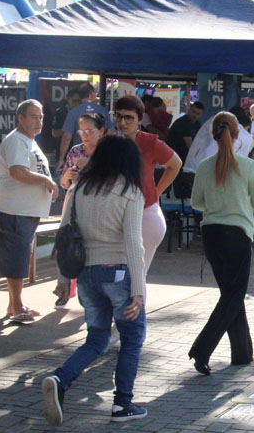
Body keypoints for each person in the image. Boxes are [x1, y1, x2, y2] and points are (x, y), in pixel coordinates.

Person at [41, 135, 148, 425]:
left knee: (97, 338)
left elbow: (65, 234)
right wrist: (138, 290)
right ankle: (122, 404)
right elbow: (134, 244)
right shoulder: (130, 192)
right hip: (118, 273)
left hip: (86, 275)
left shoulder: (80, 188)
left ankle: (60, 379)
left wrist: (64, 279)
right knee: (133, 336)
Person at [188, 112, 254, 374]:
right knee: (234, 295)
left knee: (231, 294)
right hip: (237, 236)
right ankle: (202, 348)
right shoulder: (249, 166)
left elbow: (197, 202)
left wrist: (217, 202)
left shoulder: (205, 166)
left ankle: (242, 353)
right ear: (238, 135)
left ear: (212, 133)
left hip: (212, 235)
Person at [0, 100, 58, 323]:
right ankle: (18, 306)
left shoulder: (29, 141)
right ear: (20, 118)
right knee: (16, 260)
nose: (38, 121)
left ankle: (15, 304)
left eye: (41, 117)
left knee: (19, 258)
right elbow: (18, 172)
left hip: (26, 212)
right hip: (15, 211)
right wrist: (45, 180)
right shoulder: (16, 141)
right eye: (33, 116)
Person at [114, 95, 182, 273]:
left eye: (129, 117)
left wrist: (157, 192)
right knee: (122, 276)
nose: (123, 122)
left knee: (134, 275)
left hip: (145, 214)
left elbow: (175, 164)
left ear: (140, 119)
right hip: (116, 216)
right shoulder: (110, 143)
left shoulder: (150, 142)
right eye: (119, 116)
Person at [53, 111, 107, 307]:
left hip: (99, 206)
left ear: (101, 131)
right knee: (66, 241)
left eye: (89, 131)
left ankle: (92, 290)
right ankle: (63, 286)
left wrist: (90, 167)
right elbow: (64, 183)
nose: (85, 135)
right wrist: (69, 174)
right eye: (81, 131)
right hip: (74, 203)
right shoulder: (76, 151)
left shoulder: (108, 151)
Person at [57, 83, 110, 171]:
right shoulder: (102, 111)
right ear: (91, 93)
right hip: (101, 155)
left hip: (78, 156)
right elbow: (110, 133)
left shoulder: (73, 112)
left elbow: (67, 137)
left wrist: (61, 159)